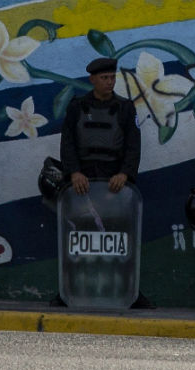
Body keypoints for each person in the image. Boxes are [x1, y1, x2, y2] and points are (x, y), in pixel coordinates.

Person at [56, 57, 152, 308]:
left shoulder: (125, 108)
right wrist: (74, 172)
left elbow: (133, 145)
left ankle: (130, 292)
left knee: (122, 238)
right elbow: (67, 143)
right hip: (83, 183)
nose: (110, 82)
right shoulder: (77, 106)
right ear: (92, 80)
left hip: (114, 184)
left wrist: (125, 175)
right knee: (77, 238)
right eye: (104, 78)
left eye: (112, 78)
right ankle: (67, 290)